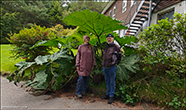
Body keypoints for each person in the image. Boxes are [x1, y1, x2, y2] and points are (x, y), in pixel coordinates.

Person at [101, 34, 122, 104]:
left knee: (112, 81)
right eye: (107, 38)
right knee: (107, 81)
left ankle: (111, 96)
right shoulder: (106, 46)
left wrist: (115, 63)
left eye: (110, 38)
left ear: (112, 39)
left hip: (112, 67)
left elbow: (120, 56)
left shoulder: (116, 47)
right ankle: (107, 94)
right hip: (105, 66)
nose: (108, 39)